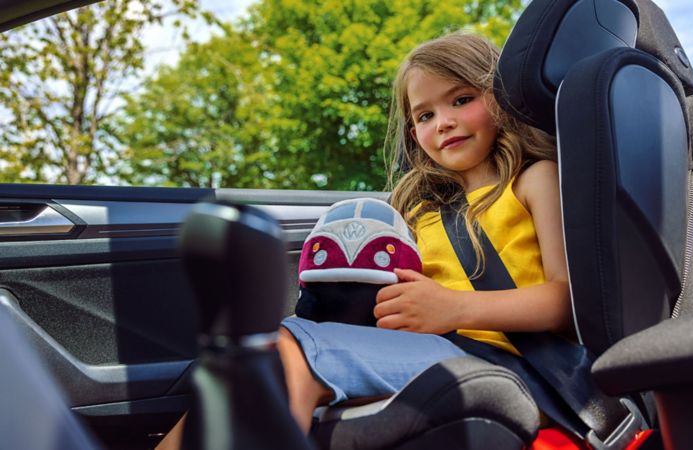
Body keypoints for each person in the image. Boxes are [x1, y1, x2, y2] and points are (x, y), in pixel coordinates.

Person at [155, 31, 571, 449]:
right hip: (422, 352)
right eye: (424, 115)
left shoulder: (533, 180)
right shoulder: (417, 211)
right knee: (264, 349)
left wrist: (455, 307)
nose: (442, 122)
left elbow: (565, 300)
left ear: (499, 98)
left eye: (461, 99)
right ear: (412, 134)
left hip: (512, 368)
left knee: (289, 352)